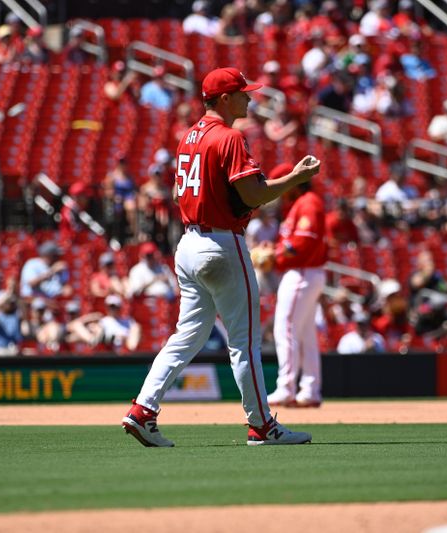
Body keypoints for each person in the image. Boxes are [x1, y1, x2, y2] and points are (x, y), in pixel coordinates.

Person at [122, 67, 321, 447]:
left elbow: (186, 194)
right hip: (222, 243)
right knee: (243, 341)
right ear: (225, 99)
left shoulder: (187, 138)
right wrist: (296, 177)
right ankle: (262, 426)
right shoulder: (229, 137)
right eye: (243, 93)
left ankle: (143, 410)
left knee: (186, 336)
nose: (250, 98)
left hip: (189, 243)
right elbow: (253, 195)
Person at [266, 163, 328, 408]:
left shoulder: (308, 202)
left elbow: (304, 241)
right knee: (304, 334)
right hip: (307, 272)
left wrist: (275, 253)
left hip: (302, 272)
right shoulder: (301, 204)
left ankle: (286, 388)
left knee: (285, 328)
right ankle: (310, 390)